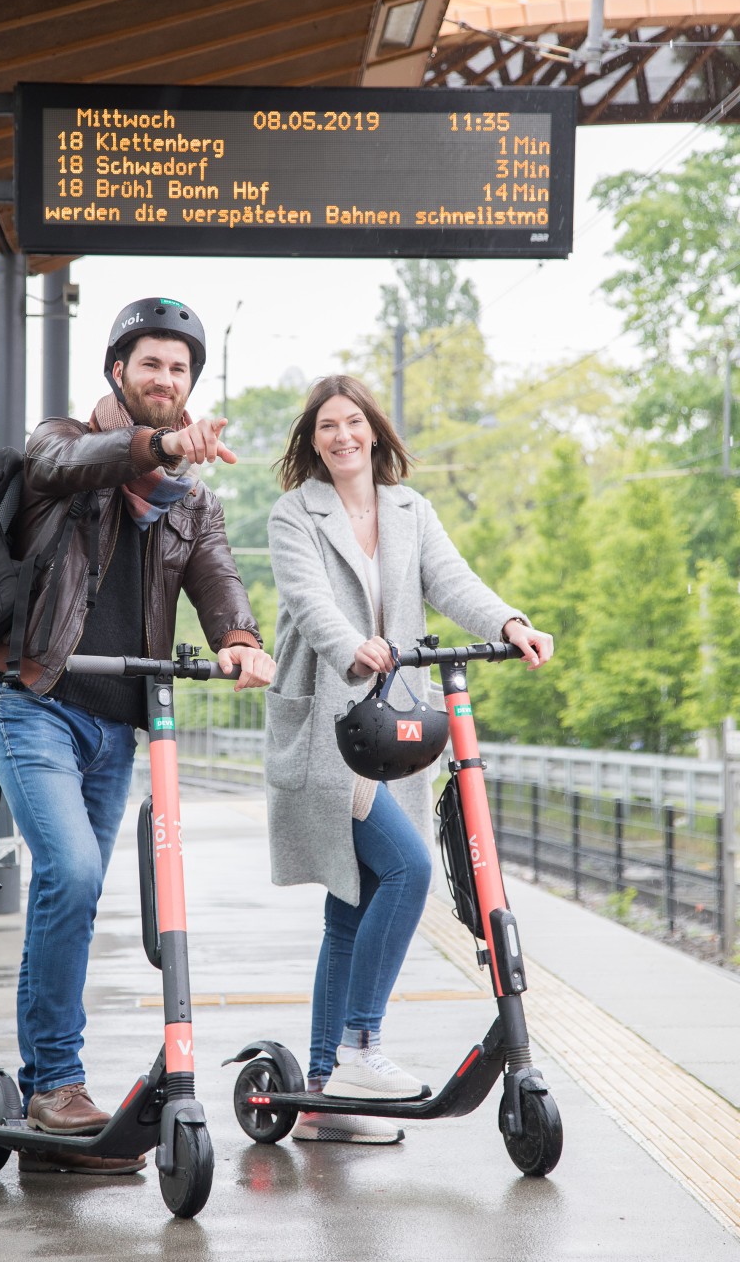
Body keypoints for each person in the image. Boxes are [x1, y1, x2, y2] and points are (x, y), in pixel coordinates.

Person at [0, 296, 275, 1174]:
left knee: (78, 891)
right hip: (32, 702)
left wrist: (241, 641)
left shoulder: (194, 504)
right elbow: (73, 462)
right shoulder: (60, 447)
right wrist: (157, 447)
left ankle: (50, 1088)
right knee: (68, 873)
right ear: (120, 372)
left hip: (116, 727)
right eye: (151, 364)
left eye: (180, 369)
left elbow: (219, 584)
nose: (166, 379)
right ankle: (56, 1083)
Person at [265, 375, 552, 1146]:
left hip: (392, 728)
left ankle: (325, 1092)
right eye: (326, 426)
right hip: (331, 722)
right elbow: (305, 599)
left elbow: (451, 582)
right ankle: (361, 1045)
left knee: (350, 907)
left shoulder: (408, 510)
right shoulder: (296, 513)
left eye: (352, 421)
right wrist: (350, 644)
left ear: (375, 430)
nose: (341, 436)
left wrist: (511, 621)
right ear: (312, 440)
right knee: (408, 870)